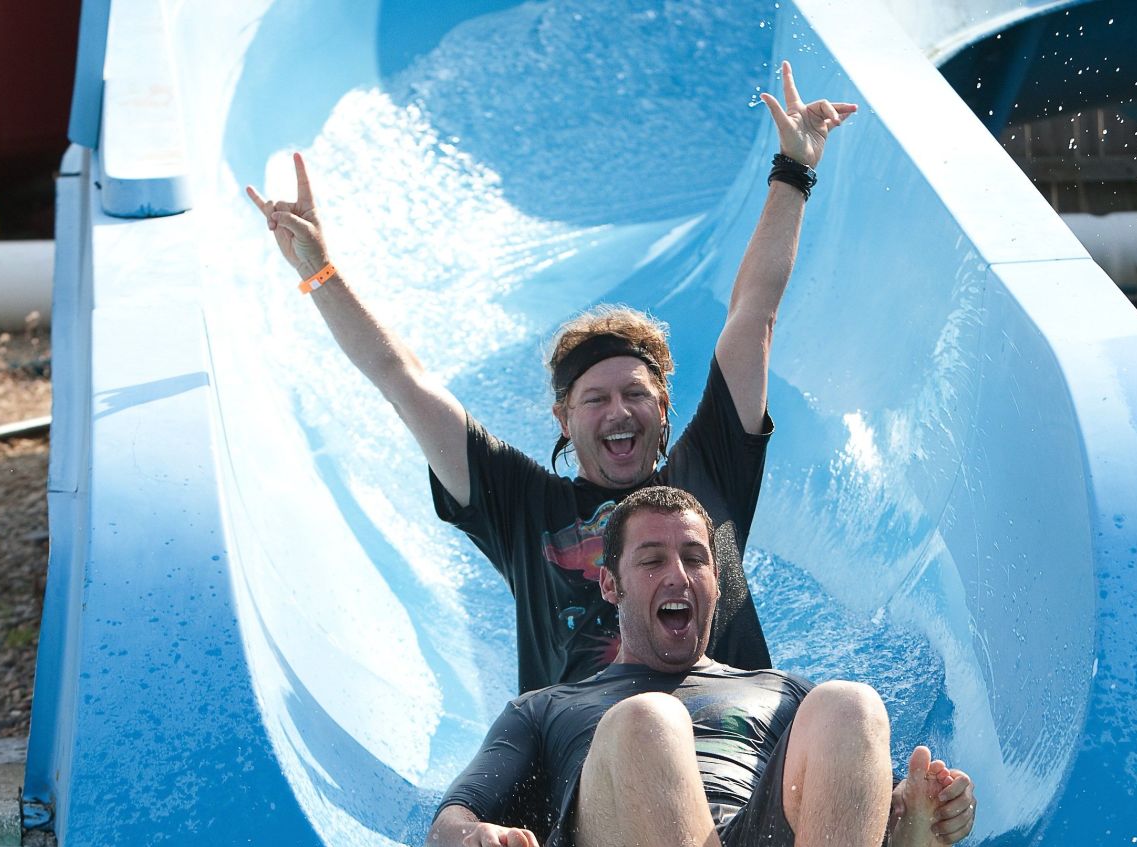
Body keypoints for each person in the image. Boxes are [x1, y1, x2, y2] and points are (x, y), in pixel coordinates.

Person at [246, 62, 857, 692]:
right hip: (588, 759)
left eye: (634, 394)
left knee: (845, 707)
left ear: (664, 408)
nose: (618, 411)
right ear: (564, 418)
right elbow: (401, 379)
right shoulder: (520, 505)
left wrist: (793, 168)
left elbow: (753, 315)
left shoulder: (710, 473)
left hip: (736, 737)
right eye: (595, 399)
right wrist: (320, 273)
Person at [423, 487, 978, 847]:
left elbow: (839, 805)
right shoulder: (545, 707)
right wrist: (475, 842)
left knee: (851, 703)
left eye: (695, 558)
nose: (679, 575)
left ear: (718, 581)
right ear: (610, 584)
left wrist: (914, 804)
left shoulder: (781, 689)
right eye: (652, 559)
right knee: (649, 718)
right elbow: (448, 825)